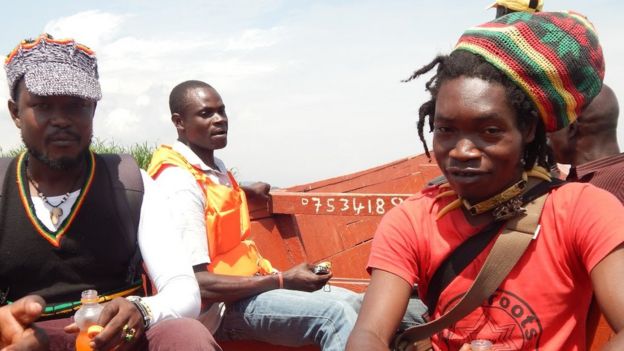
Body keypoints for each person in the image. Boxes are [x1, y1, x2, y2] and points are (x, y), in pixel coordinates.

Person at [347, 11, 624, 351]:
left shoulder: (583, 210)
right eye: (446, 130)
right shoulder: (411, 220)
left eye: (490, 131)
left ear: (528, 130)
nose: (462, 151)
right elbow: (369, 335)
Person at [0, 34, 221, 351]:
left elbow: (183, 290)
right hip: (28, 342)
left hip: (121, 339)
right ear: (15, 112)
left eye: (76, 106)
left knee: (185, 335)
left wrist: (143, 310)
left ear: (93, 110)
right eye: (43, 106)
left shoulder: (133, 182)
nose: (61, 120)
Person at [147, 80, 363, 351]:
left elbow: (215, 203)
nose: (219, 120)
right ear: (179, 122)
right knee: (336, 316)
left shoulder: (211, 168)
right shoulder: (179, 183)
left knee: (358, 303)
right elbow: (198, 285)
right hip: (218, 310)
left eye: (222, 111)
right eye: (206, 114)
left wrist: (243, 186)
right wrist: (283, 280)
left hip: (248, 287)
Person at [548, 84, 624, 203]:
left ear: (571, 128)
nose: (548, 134)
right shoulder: (574, 180)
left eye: (552, 126)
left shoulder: (619, 182)